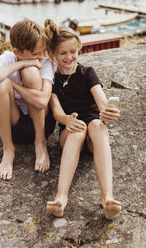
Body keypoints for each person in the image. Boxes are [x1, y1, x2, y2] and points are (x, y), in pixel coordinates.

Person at [44, 19, 121, 220]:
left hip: (93, 136)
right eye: (63, 53)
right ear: (53, 54)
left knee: (96, 124)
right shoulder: (51, 80)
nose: (69, 57)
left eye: (73, 52)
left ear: (79, 49)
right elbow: (57, 112)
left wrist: (108, 111)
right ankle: (61, 197)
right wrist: (66, 120)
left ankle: (108, 198)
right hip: (70, 133)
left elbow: (102, 102)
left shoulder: (87, 73)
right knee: (78, 129)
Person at [0, 19, 56, 180]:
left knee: (31, 72)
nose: (40, 57)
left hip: (42, 123)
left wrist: (13, 81)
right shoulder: (9, 58)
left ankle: (40, 144)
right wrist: (20, 65)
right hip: (16, 126)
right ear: (17, 52)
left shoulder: (44, 62)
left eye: (42, 52)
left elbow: (42, 101)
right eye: (35, 54)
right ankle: (8, 150)